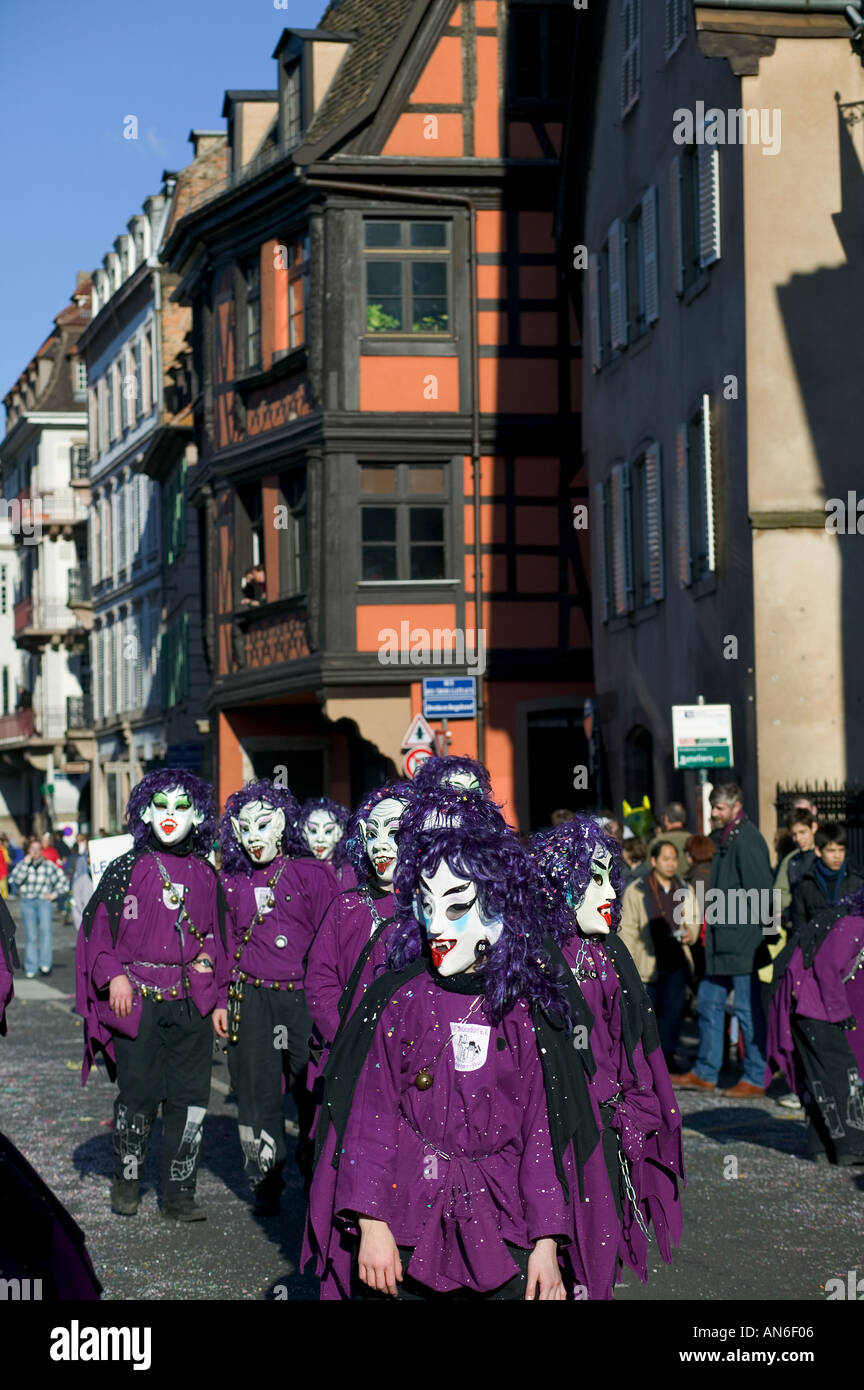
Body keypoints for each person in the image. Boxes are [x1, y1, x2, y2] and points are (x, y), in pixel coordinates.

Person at [307, 813, 584, 1301]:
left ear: (502, 907)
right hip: (407, 1212)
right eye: (426, 905)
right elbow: (372, 1115)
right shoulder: (401, 999)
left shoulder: (526, 1010)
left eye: (456, 907)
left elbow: (541, 1132)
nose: (436, 924)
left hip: (504, 1219)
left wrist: (546, 1242)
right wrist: (371, 1222)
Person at [530, 816, 684, 1300]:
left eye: (609, 878)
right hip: (549, 1133)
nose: (610, 892)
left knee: (601, 1245)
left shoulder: (612, 952)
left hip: (606, 1127)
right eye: (592, 878)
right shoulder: (532, 957)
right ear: (561, 884)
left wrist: (637, 1103)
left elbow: (634, 1042)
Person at [76, 771, 225, 1221]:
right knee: (138, 1094)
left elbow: (221, 937)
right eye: (161, 805)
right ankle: (127, 1180)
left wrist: (212, 980)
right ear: (145, 811)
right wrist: (114, 976)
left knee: (190, 1098)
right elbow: (97, 933)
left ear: (197, 815)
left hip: (190, 1005)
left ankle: (179, 1194)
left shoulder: (206, 874)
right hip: (135, 1001)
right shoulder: (126, 868)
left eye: (182, 807)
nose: (170, 816)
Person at [214, 779, 335, 1214]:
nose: (253, 838)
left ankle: (317, 1175)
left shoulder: (312, 874)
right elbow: (223, 942)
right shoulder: (229, 880)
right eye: (244, 829)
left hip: (304, 1003)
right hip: (253, 1000)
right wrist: (218, 1001)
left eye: (263, 825)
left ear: (282, 823)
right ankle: (265, 1182)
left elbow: (334, 939)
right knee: (256, 1094)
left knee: (313, 1092)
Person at [670, 782, 774, 1099]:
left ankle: (756, 1075)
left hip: (741, 942)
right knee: (710, 1002)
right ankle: (705, 1071)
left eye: (719, 808)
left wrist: (760, 936)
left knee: (746, 1009)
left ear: (735, 806)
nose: (714, 813)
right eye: (713, 807)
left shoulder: (747, 840)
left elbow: (761, 893)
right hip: (722, 942)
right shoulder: (728, 837)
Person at [305, 783, 414, 1065]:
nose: (380, 845)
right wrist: (344, 1034)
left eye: (394, 834)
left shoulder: (431, 908)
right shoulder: (345, 906)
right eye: (373, 834)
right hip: (350, 1054)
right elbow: (320, 980)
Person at [766, 881, 864, 1165]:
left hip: (807, 1006)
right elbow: (826, 966)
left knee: (818, 1077)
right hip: (814, 1007)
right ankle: (852, 1147)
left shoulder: (850, 922)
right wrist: (840, 1012)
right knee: (841, 1074)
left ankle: (821, 1146)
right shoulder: (855, 925)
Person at [618, 840, 699, 1070]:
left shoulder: (683, 887)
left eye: (674, 858)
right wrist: (628, 966)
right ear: (653, 861)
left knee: (674, 1013)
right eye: (666, 859)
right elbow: (629, 930)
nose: (671, 864)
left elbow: (693, 917)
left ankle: (668, 1054)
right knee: (648, 1015)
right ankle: (647, 1060)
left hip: (676, 960)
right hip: (647, 962)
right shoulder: (637, 889)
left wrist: (690, 934)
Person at [9, 838, 68, 979]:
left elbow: (64, 883)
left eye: (37, 849)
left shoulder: (49, 866)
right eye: (32, 849)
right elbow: (15, 881)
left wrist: (54, 894)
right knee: (31, 935)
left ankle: (45, 964)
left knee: (46, 932)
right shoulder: (23, 864)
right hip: (27, 901)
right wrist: (26, 864)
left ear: (41, 851)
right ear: (28, 851)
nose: (35, 851)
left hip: (43, 901)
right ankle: (31, 966)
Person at [790, 822, 863, 936]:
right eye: (831, 851)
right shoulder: (805, 885)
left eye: (841, 850)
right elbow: (798, 928)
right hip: (816, 949)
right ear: (818, 851)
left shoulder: (856, 883)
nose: (837, 856)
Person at [297, 797, 356, 890]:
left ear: (339, 832)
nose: (320, 839)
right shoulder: (297, 870)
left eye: (328, 831)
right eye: (313, 831)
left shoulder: (348, 872)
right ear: (303, 832)